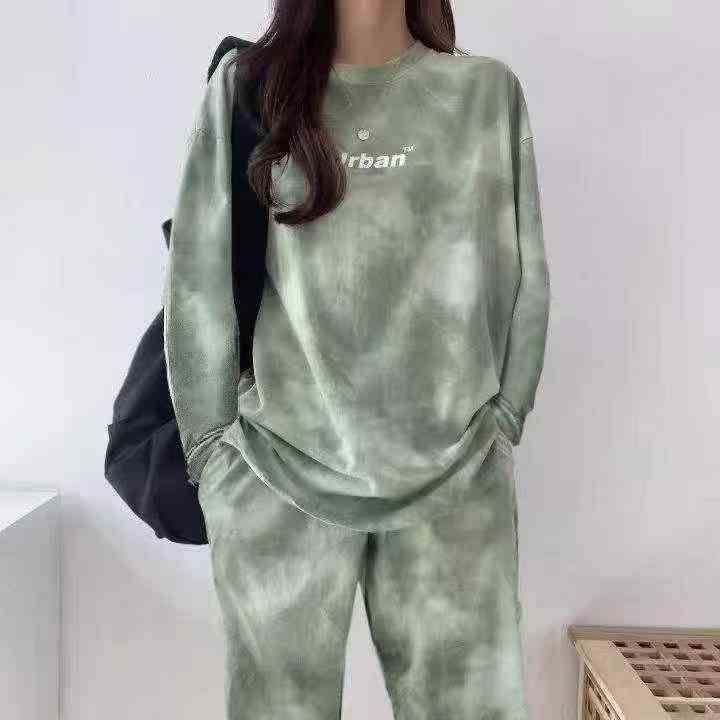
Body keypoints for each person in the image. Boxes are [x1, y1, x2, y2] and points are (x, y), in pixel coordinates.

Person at [163, 1, 550, 717]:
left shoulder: (486, 93)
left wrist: (505, 417)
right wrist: (211, 448)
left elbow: (521, 270)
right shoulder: (249, 89)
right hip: (278, 469)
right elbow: (198, 273)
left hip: (455, 475)